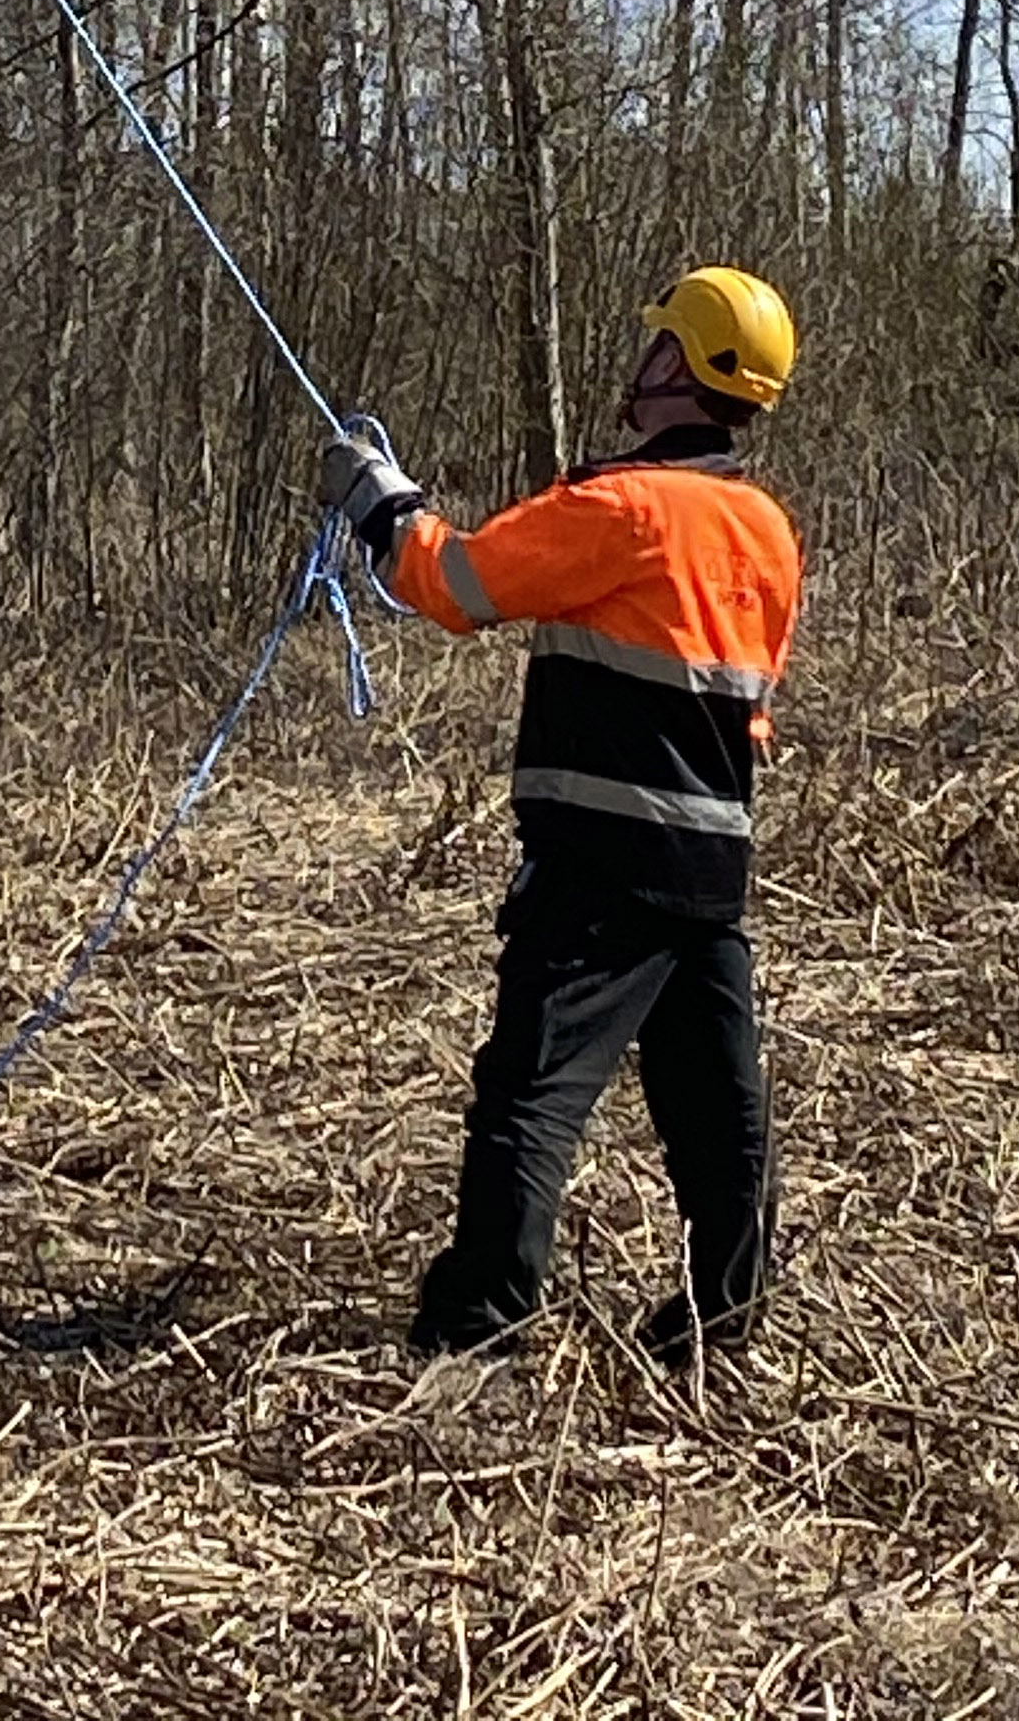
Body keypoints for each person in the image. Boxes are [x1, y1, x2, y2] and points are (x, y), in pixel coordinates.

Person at [318, 266, 804, 1369]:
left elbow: (458, 586)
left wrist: (378, 501)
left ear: (679, 366)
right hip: (711, 869)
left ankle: (476, 1328)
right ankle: (719, 1322)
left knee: (530, 1099)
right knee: (720, 1114)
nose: (641, 360)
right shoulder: (768, 532)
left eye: (658, 343)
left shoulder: (622, 509)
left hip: (598, 864)